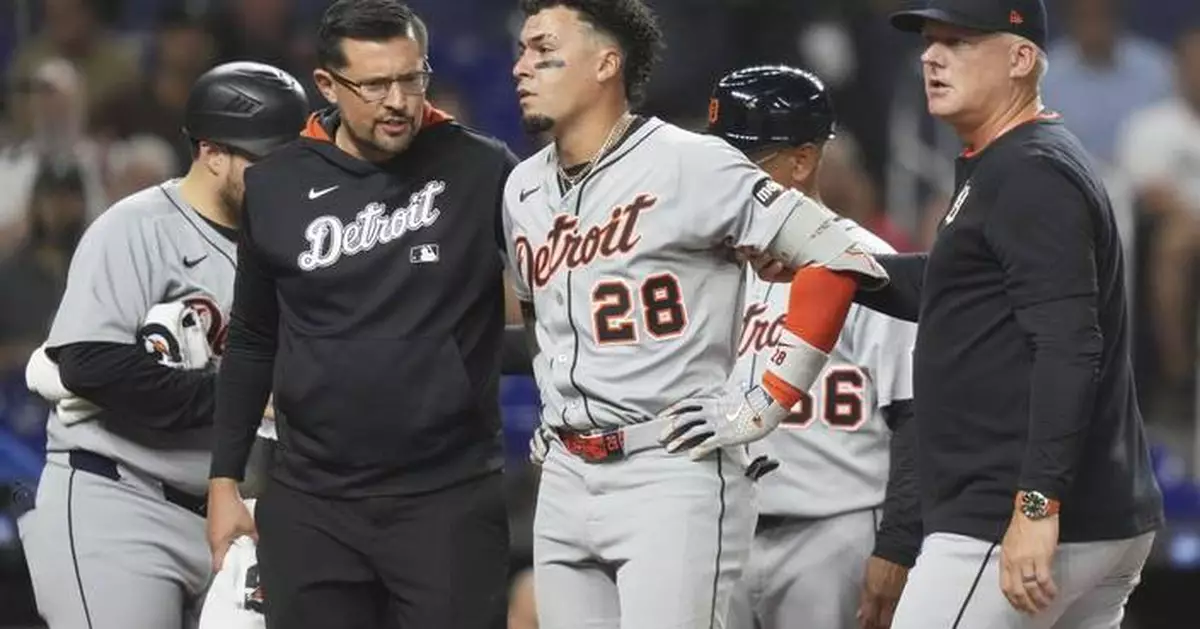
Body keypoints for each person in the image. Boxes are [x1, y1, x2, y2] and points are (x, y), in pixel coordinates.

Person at [505, 1, 890, 628]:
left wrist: (767, 399)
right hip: (566, 474)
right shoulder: (521, 188)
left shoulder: (692, 161)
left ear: (606, 64)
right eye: (522, 50)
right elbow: (539, 312)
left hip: (667, 469)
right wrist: (556, 405)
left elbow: (838, 256)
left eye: (544, 51)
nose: (521, 66)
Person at [204, 2, 521, 628]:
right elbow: (253, 339)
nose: (398, 101)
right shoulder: (275, 185)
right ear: (327, 84)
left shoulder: (483, 168)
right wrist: (223, 481)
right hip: (312, 502)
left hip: (449, 497)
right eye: (375, 85)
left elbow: (555, 293)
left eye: (412, 78)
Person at [854, 1, 1164, 627]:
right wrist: (835, 265)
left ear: (1021, 58)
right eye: (930, 41)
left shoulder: (1030, 172)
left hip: (1011, 516)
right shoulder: (1016, 158)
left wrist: (1036, 506)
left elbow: (1069, 347)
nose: (931, 56)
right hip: (1082, 516)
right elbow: (957, 286)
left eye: (958, 42)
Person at [15, 60, 308, 629]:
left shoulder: (291, 247)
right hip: (121, 500)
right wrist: (244, 397)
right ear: (212, 152)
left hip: (237, 519)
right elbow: (90, 364)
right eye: (269, 161)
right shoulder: (137, 227)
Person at [708, 65, 922, 629]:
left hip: (835, 532)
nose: (720, 175)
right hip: (722, 524)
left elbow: (916, 416)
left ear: (802, 161)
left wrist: (898, 543)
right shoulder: (702, 263)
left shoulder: (868, 266)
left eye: (741, 160)